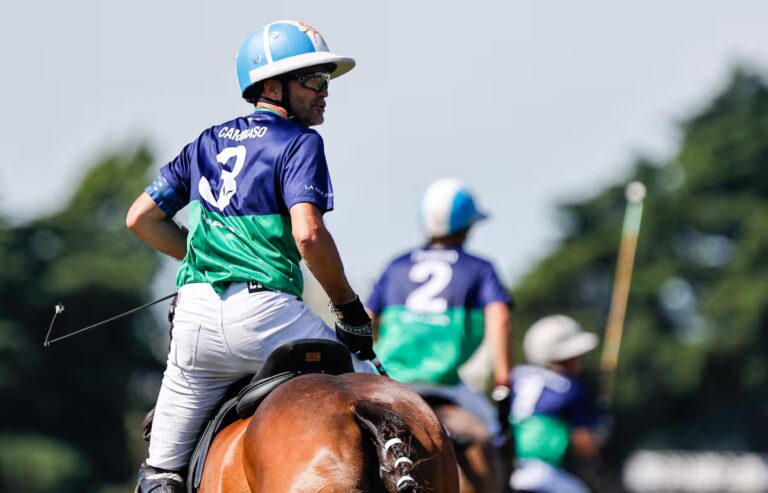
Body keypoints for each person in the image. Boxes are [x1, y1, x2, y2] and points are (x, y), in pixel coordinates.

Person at [125, 20, 375, 493]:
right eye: (313, 79)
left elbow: (140, 218)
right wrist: (347, 308)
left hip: (195, 326)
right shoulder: (301, 143)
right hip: (268, 320)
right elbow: (308, 235)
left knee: (159, 474)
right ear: (273, 85)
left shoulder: (204, 142)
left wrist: (208, 255)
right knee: (381, 398)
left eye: (325, 79)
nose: (325, 92)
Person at [366, 177, 513, 436]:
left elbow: (365, 319)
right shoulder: (480, 268)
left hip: (389, 380)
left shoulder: (395, 265)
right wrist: (503, 381)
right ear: (467, 225)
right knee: (496, 435)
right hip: (444, 384)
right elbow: (500, 318)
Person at [509, 315, 602, 493]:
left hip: (506, 468)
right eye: (575, 356)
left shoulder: (515, 376)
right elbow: (585, 446)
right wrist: (600, 430)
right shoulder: (570, 388)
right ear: (560, 357)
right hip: (542, 473)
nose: (579, 362)